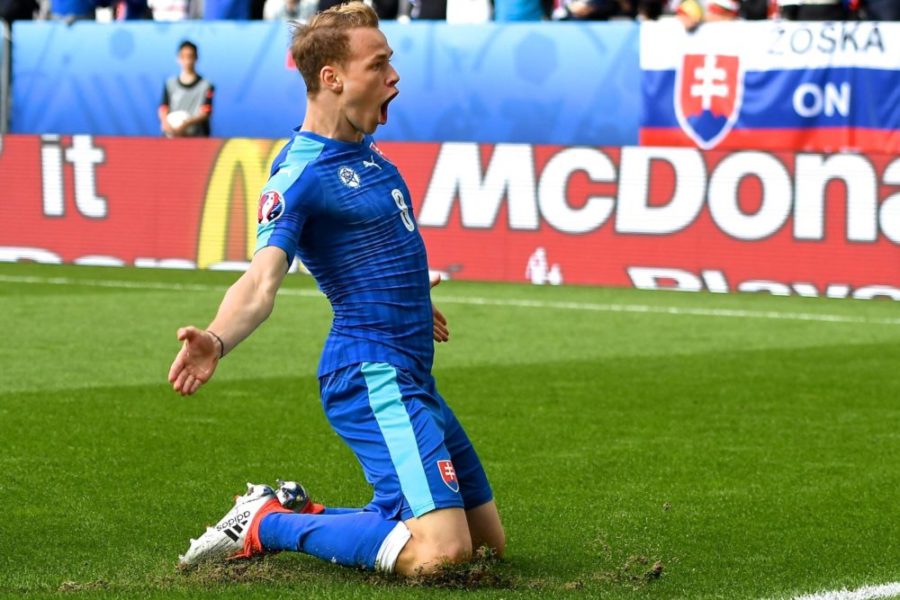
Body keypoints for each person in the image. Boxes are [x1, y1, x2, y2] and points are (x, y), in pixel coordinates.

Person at [168, 3, 505, 577]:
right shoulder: (299, 174)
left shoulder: (367, 155)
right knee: (444, 556)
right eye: (380, 65)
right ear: (333, 78)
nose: (394, 77)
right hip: (370, 372)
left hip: (412, 371)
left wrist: (413, 301)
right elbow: (260, 279)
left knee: (487, 549)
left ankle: (336, 514)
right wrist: (217, 340)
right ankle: (265, 521)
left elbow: (377, 250)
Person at [158, 41, 214, 138]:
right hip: (173, 136)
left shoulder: (206, 85)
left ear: (196, 58)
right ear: (178, 58)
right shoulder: (170, 83)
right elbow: (163, 107)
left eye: (190, 56)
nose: (187, 61)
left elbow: (206, 112)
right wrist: (165, 122)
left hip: (196, 137)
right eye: (183, 57)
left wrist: (186, 124)